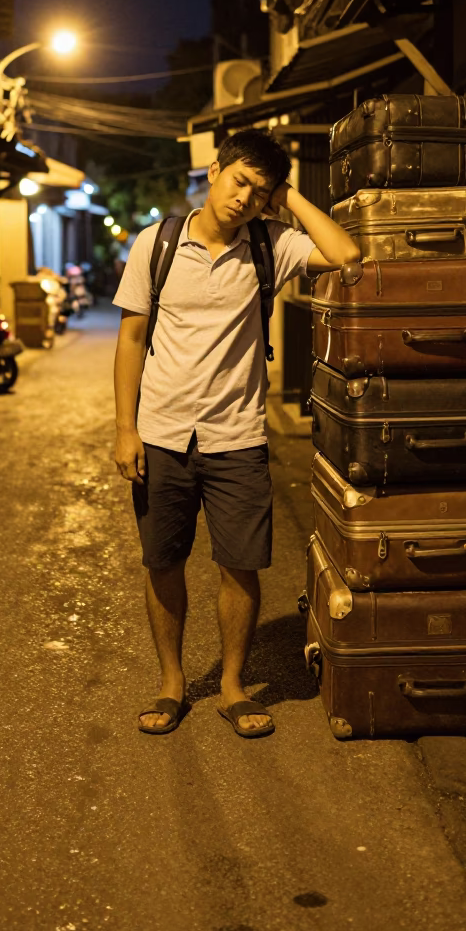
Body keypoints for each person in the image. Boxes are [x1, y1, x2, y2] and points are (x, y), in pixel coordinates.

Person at [112, 129, 359, 738]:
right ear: (214, 171)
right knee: (163, 562)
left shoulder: (271, 243)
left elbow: (347, 255)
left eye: (258, 190)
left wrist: (288, 196)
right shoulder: (156, 243)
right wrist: (124, 428)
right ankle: (172, 682)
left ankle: (232, 686)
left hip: (238, 435)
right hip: (163, 432)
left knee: (240, 566)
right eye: (239, 180)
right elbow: (131, 339)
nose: (244, 197)